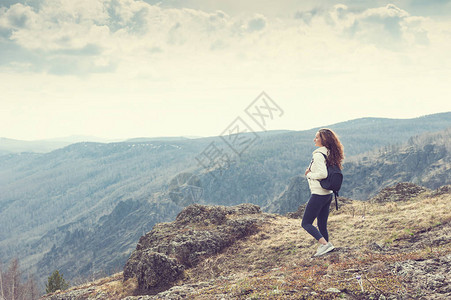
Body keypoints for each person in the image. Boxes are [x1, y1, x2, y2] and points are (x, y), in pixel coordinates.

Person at [302, 128, 344, 257]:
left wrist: (309, 174)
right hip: (328, 194)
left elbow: (322, 174)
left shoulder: (318, 155)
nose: (314, 139)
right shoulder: (330, 153)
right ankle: (326, 248)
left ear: (323, 140)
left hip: (319, 194)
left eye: (317, 137)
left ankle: (325, 245)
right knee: (321, 224)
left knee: (306, 223)